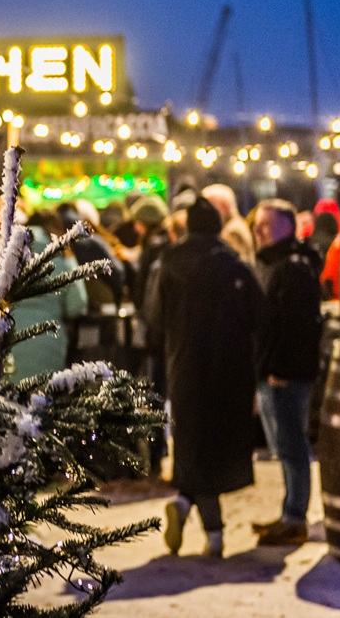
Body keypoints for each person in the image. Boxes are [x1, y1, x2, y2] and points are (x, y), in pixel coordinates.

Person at [144, 197, 262, 558]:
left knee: (193, 446)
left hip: (184, 368)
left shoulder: (169, 263)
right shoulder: (233, 266)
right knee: (216, 450)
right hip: (231, 371)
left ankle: (187, 508)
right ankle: (213, 532)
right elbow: (260, 316)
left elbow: (154, 320)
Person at [251, 199, 322, 546]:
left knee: (292, 446)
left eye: (266, 225)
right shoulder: (276, 265)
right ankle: (289, 514)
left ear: (287, 227)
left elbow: (296, 327)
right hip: (273, 372)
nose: (258, 231)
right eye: (257, 224)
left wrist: (279, 368)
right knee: (284, 447)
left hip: (285, 374)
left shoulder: (292, 268)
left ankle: (295, 518)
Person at [7, 211, 88, 382]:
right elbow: (77, 305)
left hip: (11, 336)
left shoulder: (11, 255)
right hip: (49, 339)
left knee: (11, 400)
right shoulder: (59, 255)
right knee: (43, 397)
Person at [201, 184, 256, 265]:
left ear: (224, 206)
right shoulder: (235, 225)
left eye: (211, 207)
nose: (206, 213)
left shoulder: (232, 232)